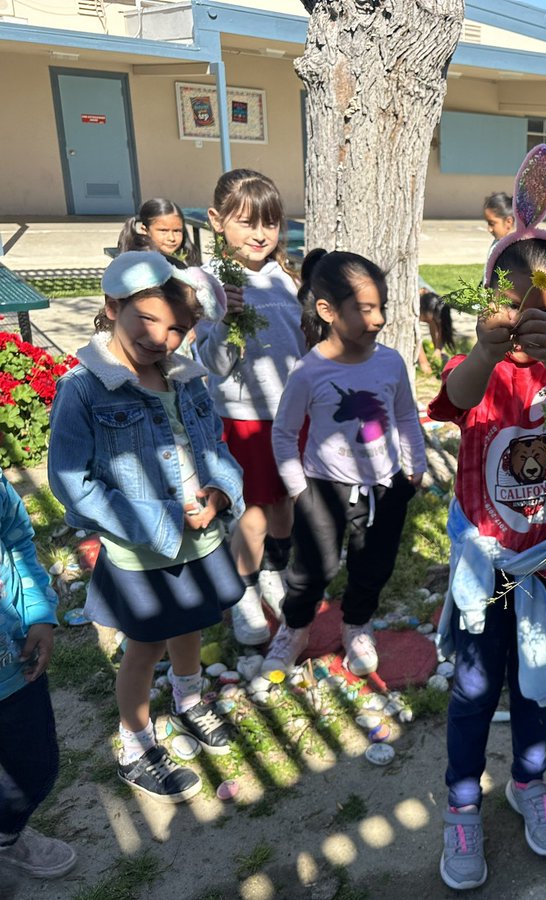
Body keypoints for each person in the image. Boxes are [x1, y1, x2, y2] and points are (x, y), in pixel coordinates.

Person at [428, 145, 546, 892]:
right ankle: (462, 801)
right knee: (473, 688)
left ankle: (528, 781)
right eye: (513, 304)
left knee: (538, 682)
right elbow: (459, 399)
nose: (528, 320)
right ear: (488, 304)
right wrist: (487, 347)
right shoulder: (476, 368)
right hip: (487, 562)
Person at [49, 251, 245, 802]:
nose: (162, 338)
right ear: (113, 307)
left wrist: (221, 492)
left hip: (200, 541)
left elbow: (216, 450)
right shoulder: (85, 390)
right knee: (144, 647)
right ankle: (135, 741)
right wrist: (148, 520)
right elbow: (71, 479)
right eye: (148, 320)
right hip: (141, 551)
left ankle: (189, 701)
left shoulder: (186, 381)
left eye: (178, 328)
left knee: (190, 628)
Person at [264, 250, 426, 679]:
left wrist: (415, 463)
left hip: (385, 487)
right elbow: (283, 433)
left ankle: (356, 623)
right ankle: (295, 627)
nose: (377, 320)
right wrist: (299, 489)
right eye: (365, 309)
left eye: (382, 308)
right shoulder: (309, 371)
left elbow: (407, 415)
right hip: (322, 487)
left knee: (373, 564)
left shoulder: (390, 362)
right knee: (313, 570)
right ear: (327, 310)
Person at [193, 169, 305, 645]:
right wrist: (224, 320)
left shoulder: (289, 280)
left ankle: (272, 576)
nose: (260, 234)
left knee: (283, 510)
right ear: (217, 221)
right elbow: (213, 365)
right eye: (245, 222)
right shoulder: (210, 284)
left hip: (291, 420)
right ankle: (241, 594)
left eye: (271, 223)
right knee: (252, 516)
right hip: (244, 422)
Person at [0, 470, 76, 880]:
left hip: (12, 666)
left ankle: (5, 834)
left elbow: (17, 542)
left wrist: (39, 615)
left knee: (35, 766)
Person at [116, 198, 200, 266]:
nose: (171, 238)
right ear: (145, 230)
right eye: (163, 231)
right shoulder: (141, 265)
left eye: (177, 231)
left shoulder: (188, 257)